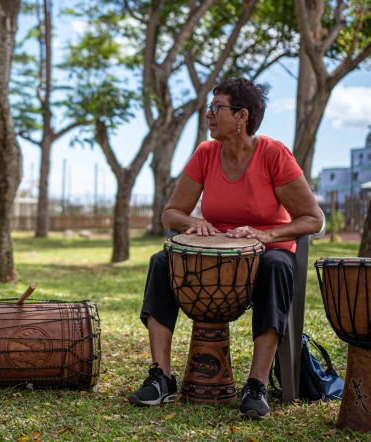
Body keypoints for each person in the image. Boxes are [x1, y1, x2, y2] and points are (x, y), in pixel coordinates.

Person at [128, 78, 322, 419]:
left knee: (278, 265)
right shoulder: (205, 153)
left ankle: (257, 385)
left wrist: (266, 235)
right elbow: (171, 212)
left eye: (217, 108)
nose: (208, 115)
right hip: (214, 259)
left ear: (241, 116)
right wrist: (192, 223)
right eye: (209, 107)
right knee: (161, 262)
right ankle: (161, 377)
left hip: (267, 256)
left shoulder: (273, 154)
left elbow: (312, 219)